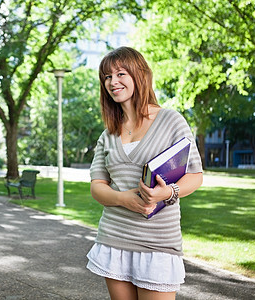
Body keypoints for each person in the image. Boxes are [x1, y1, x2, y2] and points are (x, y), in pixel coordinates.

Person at [86, 46, 203, 299]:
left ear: (139, 75)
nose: (112, 82)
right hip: (114, 239)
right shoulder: (108, 135)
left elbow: (195, 175)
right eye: (107, 77)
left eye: (120, 74)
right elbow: (97, 186)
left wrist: (167, 192)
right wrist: (122, 199)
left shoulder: (171, 121)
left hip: (158, 243)